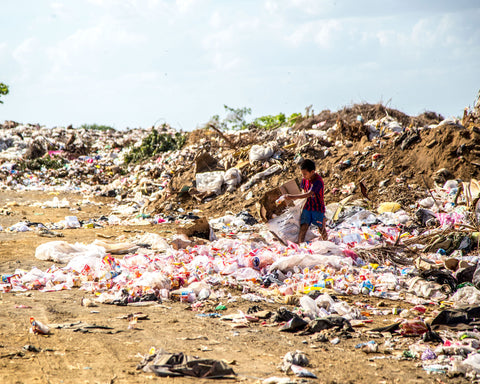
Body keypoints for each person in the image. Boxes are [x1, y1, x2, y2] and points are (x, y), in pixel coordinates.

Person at [284, 159, 326, 243]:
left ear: (312, 172)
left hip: (317, 207)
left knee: (321, 228)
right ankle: (301, 246)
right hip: (307, 206)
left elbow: (308, 194)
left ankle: (327, 243)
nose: (303, 176)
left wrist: (291, 197)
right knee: (303, 227)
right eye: (302, 174)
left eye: (305, 174)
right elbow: (303, 192)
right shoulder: (305, 179)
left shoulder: (318, 181)